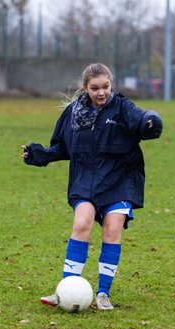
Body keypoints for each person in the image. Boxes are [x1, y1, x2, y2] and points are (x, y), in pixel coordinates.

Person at [22, 63, 163, 310]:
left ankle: (103, 294)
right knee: (81, 223)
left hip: (120, 179)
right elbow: (62, 148)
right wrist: (39, 155)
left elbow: (141, 121)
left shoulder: (122, 107)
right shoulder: (72, 114)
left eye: (106, 86)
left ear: (111, 84)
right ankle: (65, 290)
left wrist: (151, 120)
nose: (102, 92)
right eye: (95, 88)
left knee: (112, 227)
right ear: (85, 88)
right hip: (85, 179)